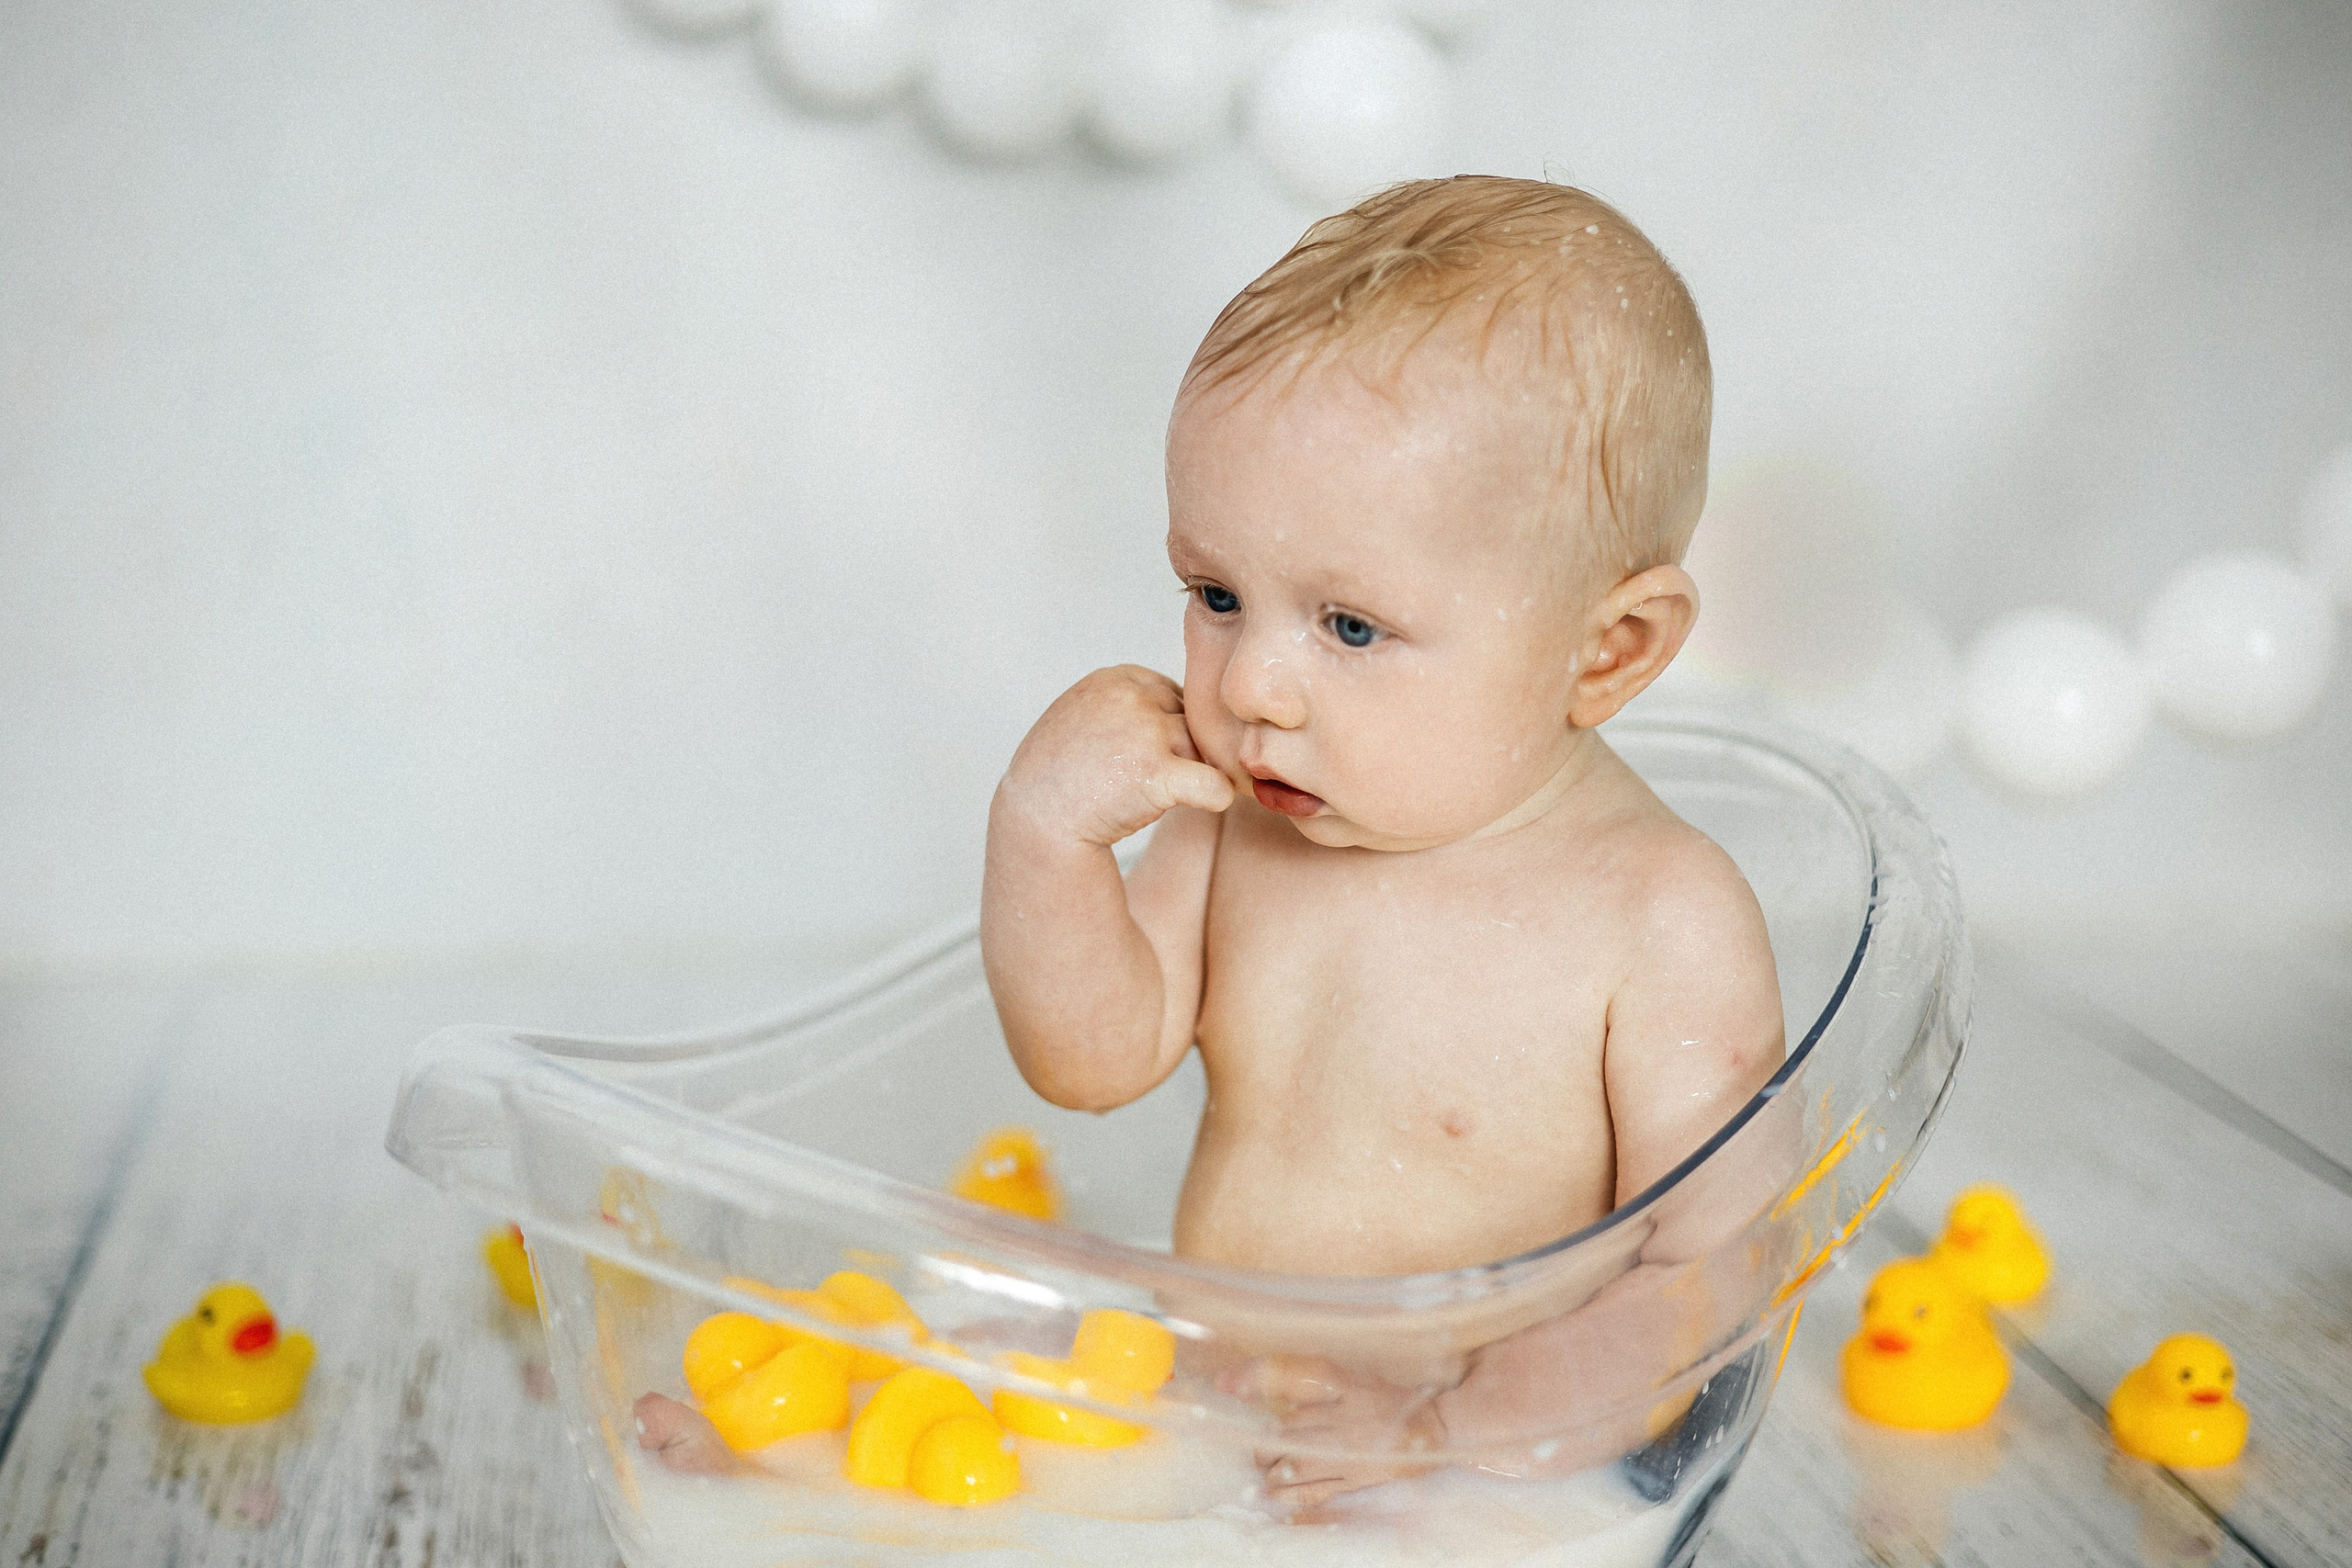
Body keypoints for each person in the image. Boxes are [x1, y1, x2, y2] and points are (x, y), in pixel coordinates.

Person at [980, 175, 1785, 1505]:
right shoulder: (1247, 823)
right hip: (1221, 1413)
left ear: (1609, 649)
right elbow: (1087, 1059)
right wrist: (1044, 833)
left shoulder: (1657, 916)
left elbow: (1713, 1270)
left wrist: (1449, 1430)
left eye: (1350, 627)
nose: (1252, 688)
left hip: (1491, 1474)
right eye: (1217, 595)